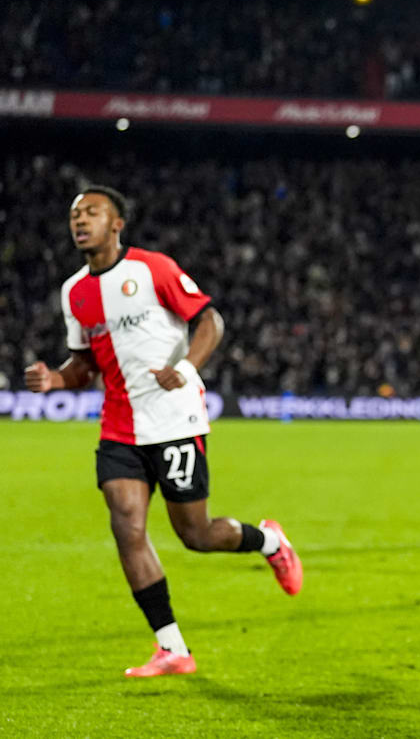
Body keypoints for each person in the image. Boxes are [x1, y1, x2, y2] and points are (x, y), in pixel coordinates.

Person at [24, 187, 302, 679]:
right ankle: (172, 647)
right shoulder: (75, 292)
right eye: (74, 215)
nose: (80, 221)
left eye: (92, 212)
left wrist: (189, 369)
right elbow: (83, 365)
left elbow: (209, 320)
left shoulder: (153, 269)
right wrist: (55, 379)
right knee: (126, 524)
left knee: (195, 534)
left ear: (118, 224)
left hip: (175, 419)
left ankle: (270, 544)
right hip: (119, 427)